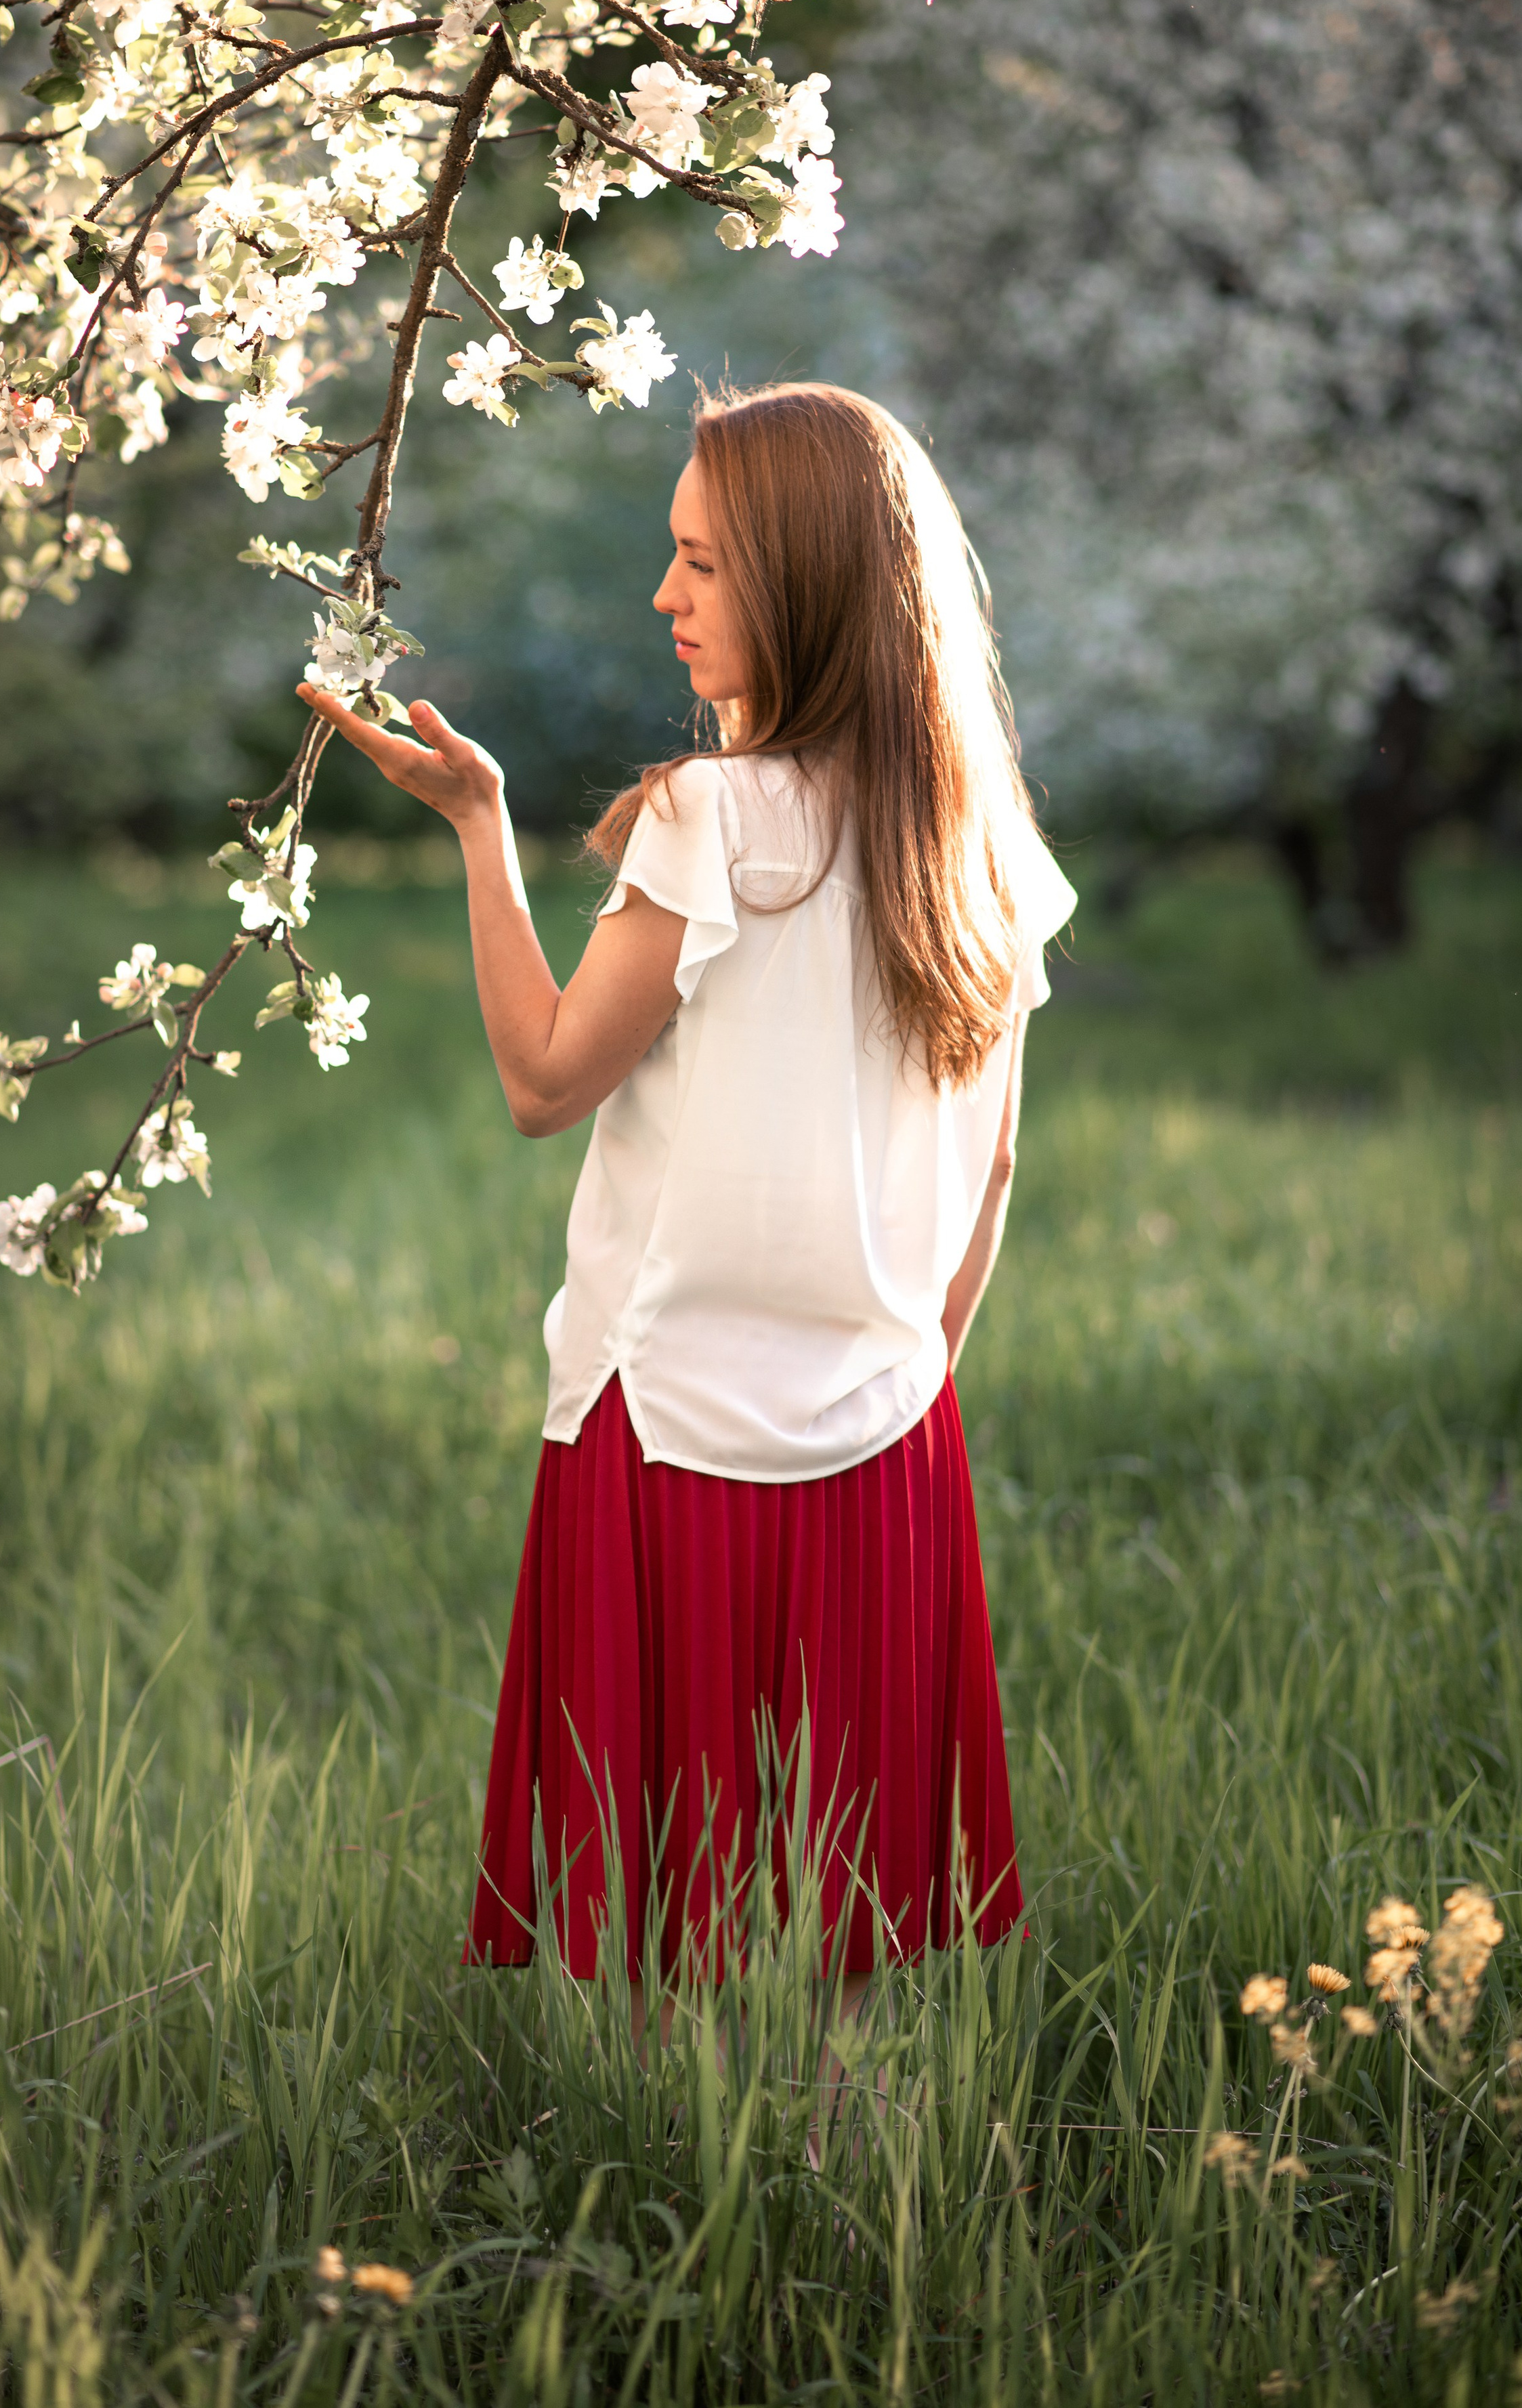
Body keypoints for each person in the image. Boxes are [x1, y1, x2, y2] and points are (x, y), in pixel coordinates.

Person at [299, 381, 1076, 2044]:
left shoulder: (704, 819)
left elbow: (542, 1077)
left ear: (799, 585)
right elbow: (991, 1172)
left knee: (667, 1953)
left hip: (658, 1438)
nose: (666, 596)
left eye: (703, 563)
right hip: (886, 1440)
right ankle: (857, 2248)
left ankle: (686, 2232)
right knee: (847, 1938)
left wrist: (479, 830)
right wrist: (900, 1383)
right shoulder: (983, 842)